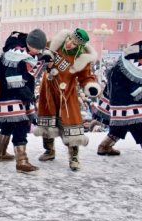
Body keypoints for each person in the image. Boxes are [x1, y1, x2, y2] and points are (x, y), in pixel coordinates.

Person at [94, 33, 142, 167]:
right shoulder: (140, 61)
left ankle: (104, 146)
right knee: (139, 126)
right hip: (126, 100)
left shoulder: (137, 49)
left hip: (116, 94)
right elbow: (136, 90)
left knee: (121, 124)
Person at [33, 28, 101, 171]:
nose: (70, 44)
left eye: (74, 43)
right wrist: (44, 57)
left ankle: (74, 157)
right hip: (48, 91)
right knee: (47, 121)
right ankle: (49, 150)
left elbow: (86, 76)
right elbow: (39, 51)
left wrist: (90, 86)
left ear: (80, 46)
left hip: (66, 94)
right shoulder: (54, 44)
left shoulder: (81, 58)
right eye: (70, 39)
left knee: (72, 123)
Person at [0, 29, 47, 173]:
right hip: (11, 95)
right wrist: (27, 94)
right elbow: (13, 79)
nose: (38, 52)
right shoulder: (17, 53)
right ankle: (22, 161)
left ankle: (0, 153)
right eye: (36, 49)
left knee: (8, 125)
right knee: (21, 125)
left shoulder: (23, 50)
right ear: (29, 43)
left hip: (7, 94)